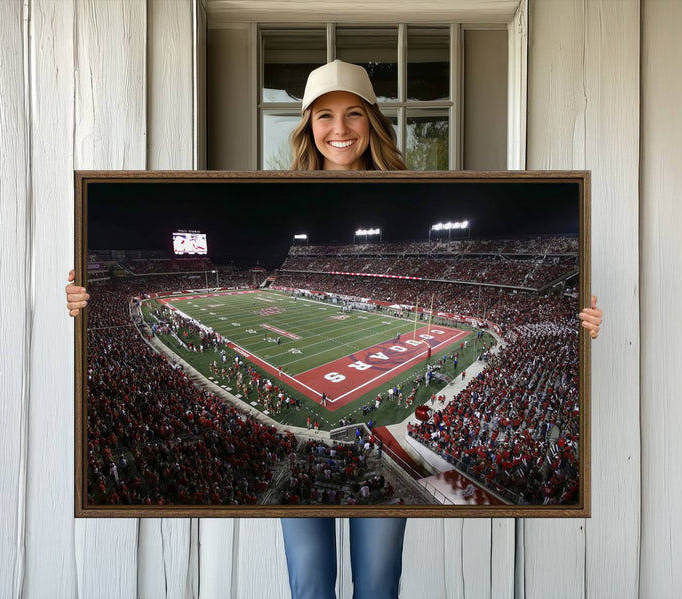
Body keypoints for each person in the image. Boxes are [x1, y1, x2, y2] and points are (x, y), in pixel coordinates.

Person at [65, 59, 604, 599]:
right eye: (324, 116)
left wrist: (580, 322)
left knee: (377, 582)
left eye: (353, 114)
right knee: (310, 584)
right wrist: (81, 298)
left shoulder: (412, 187)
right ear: (307, 125)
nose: (339, 129)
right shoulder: (281, 185)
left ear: (373, 120)